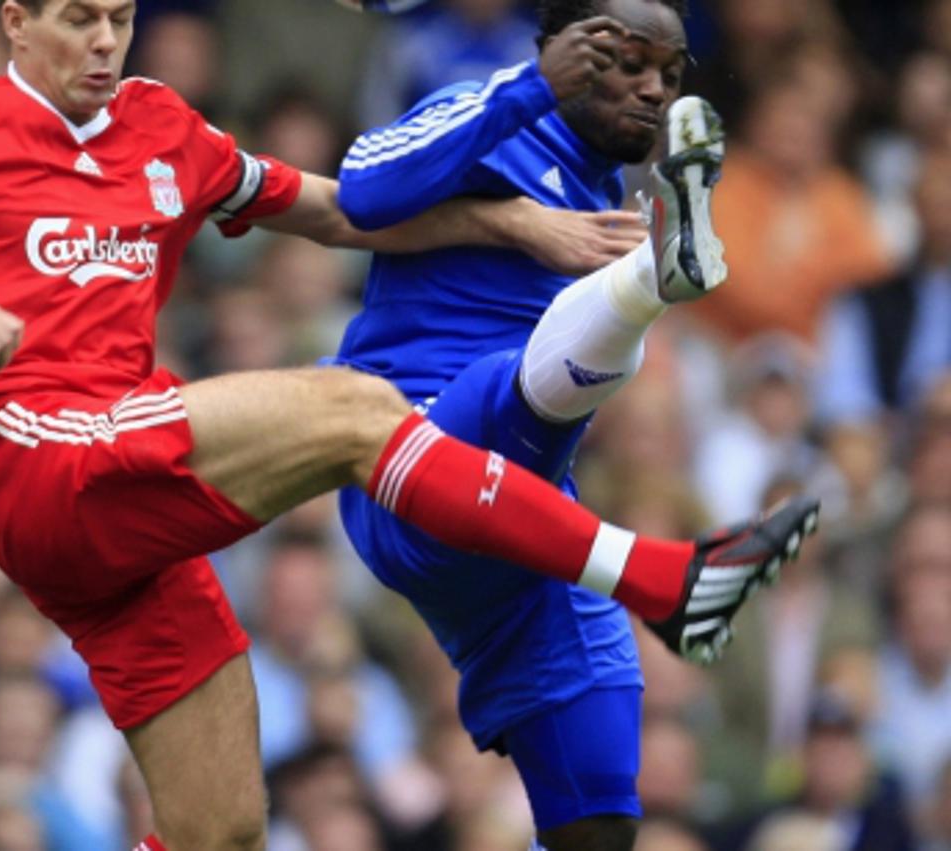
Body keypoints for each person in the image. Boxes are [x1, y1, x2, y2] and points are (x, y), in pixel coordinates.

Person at [0, 2, 817, 849]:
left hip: (124, 505)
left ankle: (657, 556)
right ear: (13, 19)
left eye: (119, 17)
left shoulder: (158, 125)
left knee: (222, 829)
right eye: (77, 17)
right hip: (36, 454)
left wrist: (511, 222)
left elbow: (335, 209)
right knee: (354, 404)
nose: (105, 43)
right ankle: (655, 578)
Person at [331, 0, 815, 847]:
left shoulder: (597, 198)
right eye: (625, 60)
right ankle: (652, 281)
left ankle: (651, 277)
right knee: (510, 380)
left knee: (598, 817)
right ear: (557, 45)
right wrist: (528, 90)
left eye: (668, 74)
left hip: (528, 522)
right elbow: (363, 189)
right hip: (406, 457)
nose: (651, 89)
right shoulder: (487, 110)